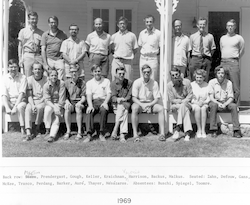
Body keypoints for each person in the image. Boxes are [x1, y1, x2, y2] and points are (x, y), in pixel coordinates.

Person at [131, 64, 165, 142]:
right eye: (145, 72)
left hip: (150, 103)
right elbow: (134, 97)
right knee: (134, 108)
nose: (146, 73)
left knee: (161, 108)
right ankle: (135, 134)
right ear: (142, 72)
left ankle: (162, 134)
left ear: (151, 72)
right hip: (140, 103)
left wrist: (150, 105)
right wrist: (142, 105)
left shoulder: (154, 83)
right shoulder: (137, 82)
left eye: (148, 72)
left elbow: (156, 98)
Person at [208, 65, 242, 138]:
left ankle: (236, 130)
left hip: (226, 102)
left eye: (222, 73)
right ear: (216, 74)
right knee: (213, 105)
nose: (221, 74)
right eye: (219, 73)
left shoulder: (229, 83)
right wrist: (218, 103)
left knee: (234, 106)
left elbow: (231, 97)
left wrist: (225, 104)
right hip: (215, 102)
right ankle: (213, 130)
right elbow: (211, 97)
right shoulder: (212, 82)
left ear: (225, 74)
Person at [84, 65, 111, 143]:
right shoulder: (89, 83)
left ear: (101, 72)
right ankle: (89, 134)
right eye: (95, 71)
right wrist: (90, 106)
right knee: (89, 111)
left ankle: (101, 133)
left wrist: (105, 102)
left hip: (103, 100)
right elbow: (89, 95)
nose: (97, 73)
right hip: (94, 101)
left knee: (103, 110)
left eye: (99, 71)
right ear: (92, 73)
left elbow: (109, 94)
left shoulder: (106, 81)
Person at [220, 19, 245, 105]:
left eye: (232, 26)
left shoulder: (239, 38)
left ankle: (235, 105)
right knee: (222, 83)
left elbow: (242, 50)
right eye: (228, 26)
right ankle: (224, 104)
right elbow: (221, 49)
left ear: (235, 27)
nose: (230, 27)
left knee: (235, 85)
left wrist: (236, 58)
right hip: (223, 62)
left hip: (233, 62)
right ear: (226, 27)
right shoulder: (222, 38)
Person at [167, 66, 193, 141]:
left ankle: (177, 128)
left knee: (183, 106)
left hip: (186, 103)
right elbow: (172, 99)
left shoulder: (187, 82)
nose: (175, 76)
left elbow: (190, 94)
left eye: (176, 74)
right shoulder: (169, 85)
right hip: (176, 105)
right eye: (173, 75)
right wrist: (179, 102)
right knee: (185, 110)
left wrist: (183, 101)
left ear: (180, 74)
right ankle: (187, 134)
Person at [2, 59, 27, 135]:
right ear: (8, 68)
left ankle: (23, 128)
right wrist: (7, 107)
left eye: (15, 67)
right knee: (1, 105)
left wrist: (15, 107)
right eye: (11, 67)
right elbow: (4, 94)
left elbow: (22, 93)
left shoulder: (23, 77)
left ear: (18, 67)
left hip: (20, 100)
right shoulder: (4, 78)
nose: (13, 69)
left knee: (20, 107)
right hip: (9, 101)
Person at [24, 62, 47, 141]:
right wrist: (33, 105)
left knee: (40, 107)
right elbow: (29, 95)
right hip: (32, 100)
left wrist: (39, 102)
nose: (37, 71)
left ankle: (37, 128)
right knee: (28, 108)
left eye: (39, 69)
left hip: (43, 100)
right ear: (32, 70)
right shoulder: (29, 79)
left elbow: (46, 94)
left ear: (42, 70)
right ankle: (28, 132)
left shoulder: (46, 79)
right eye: (35, 69)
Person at [110, 16, 138, 81]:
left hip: (127, 61)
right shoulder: (114, 36)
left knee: (127, 81)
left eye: (124, 23)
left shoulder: (132, 35)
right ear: (118, 25)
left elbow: (135, 49)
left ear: (126, 24)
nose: (122, 25)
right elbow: (112, 49)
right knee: (115, 80)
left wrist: (128, 55)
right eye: (120, 23)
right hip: (117, 61)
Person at [189, 17, 216, 82]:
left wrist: (208, 57)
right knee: (194, 78)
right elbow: (190, 49)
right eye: (200, 24)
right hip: (196, 59)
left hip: (206, 59)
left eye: (204, 24)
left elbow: (212, 49)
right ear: (197, 25)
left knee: (205, 78)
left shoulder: (210, 36)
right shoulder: (193, 36)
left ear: (205, 25)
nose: (202, 26)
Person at [63, 64, 86, 140]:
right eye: (72, 72)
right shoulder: (66, 83)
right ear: (69, 72)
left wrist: (80, 103)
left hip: (80, 102)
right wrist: (67, 102)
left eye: (75, 72)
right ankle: (68, 131)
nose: (74, 73)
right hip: (71, 102)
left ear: (78, 73)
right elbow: (65, 96)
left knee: (78, 108)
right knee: (67, 108)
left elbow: (83, 97)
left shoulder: (82, 83)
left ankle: (79, 132)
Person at [43, 69, 66, 143]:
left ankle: (52, 136)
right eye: (52, 75)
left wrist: (58, 108)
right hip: (50, 104)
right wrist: (54, 107)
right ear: (49, 77)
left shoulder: (61, 83)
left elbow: (62, 99)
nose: (54, 77)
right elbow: (47, 100)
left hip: (59, 104)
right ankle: (47, 129)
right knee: (47, 110)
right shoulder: (46, 86)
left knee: (57, 117)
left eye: (55, 75)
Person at [110, 67, 133, 143]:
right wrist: (117, 99)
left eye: (123, 73)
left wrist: (124, 99)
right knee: (124, 111)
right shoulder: (113, 84)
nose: (121, 75)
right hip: (116, 105)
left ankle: (115, 129)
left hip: (125, 103)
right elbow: (113, 97)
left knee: (122, 106)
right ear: (116, 74)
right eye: (120, 73)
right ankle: (122, 134)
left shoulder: (129, 83)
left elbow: (129, 95)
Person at [18, 11, 44, 77]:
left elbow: (43, 47)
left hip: (38, 56)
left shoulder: (41, 33)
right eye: (32, 19)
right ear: (29, 20)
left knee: (39, 75)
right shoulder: (23, 31)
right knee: (27, 76)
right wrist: (20, 58)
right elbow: (20, 46)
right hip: (28, 55)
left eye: (35, 19)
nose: (34, 21)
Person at [138, 15, 160, 81]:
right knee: (142, 78)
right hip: (143, 58)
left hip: (152, 58)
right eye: (147, 22)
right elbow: (140, 45)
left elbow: (161, 47)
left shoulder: (158, 33)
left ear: (153, 22)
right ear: (145, 22)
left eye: (150, 22)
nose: (149, 23)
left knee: (152, 79)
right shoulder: (142, 33)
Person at [191, 69, 210, 138]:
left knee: (203, 108)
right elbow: (190, 97)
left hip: (204, 103)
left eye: (200, 77)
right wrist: (196, 102)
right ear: (195, 77)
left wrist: (204, 102)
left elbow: (209, 97)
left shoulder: (207, 85)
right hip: (194, 103)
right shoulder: (192, 85)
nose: (199, 79)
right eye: (197, 77)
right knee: (197, 108)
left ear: (204, 77)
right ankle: (198, 129)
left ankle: (203, 130)